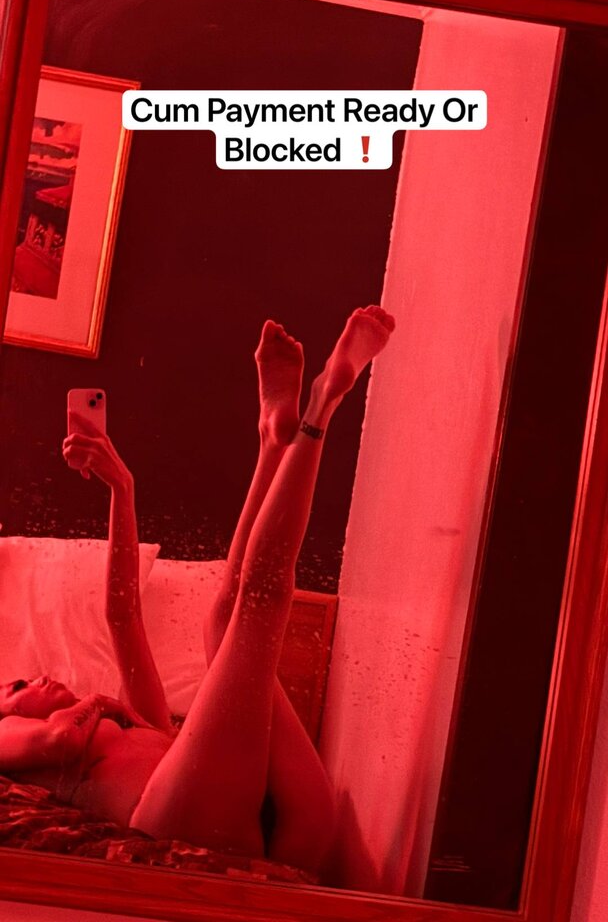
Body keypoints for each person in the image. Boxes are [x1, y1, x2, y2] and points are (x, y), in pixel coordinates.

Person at [0, 306, 395, 877]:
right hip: (181, 822)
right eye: (15, 687)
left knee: (222, 620)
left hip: (286, 814)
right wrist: (99, 701)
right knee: (259, 608)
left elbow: (122, 616)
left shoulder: (134, 727)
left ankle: (272, 440)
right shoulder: (12, 733)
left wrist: (123, 489)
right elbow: (58, 741)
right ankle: (324, 402)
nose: (35, 678)